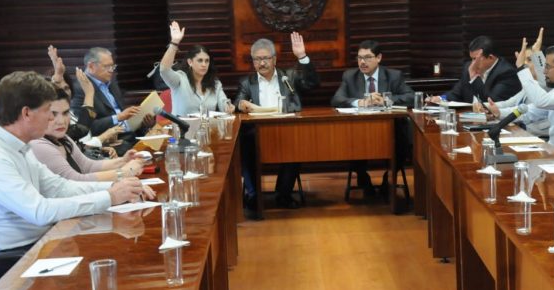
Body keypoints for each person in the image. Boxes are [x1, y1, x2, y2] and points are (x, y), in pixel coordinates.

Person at [0, 71, 154, 283]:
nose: (53, 119)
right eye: (47, 111)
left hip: (40, 246)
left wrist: (120, 188)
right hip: (10, 262)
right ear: (26, 113)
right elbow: (40, 211)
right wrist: (110, 196)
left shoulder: (19, 146)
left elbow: (60, 188)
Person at [234, 33, 319, 210]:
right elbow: (238, 102)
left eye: (265, 58)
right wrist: (241, 104)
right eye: (257, 59)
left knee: (296, 146)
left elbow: (313, 84)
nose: (261, 63)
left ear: (274, 59)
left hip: (286, 130)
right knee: (244, 147)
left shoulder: (289, 76)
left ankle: (283, 194)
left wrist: (302, 57)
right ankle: (253, 195)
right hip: (256, 134)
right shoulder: (247, 82)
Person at [331, 40, 415, 197]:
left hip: (391, 131)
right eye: (359, 58)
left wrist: (385, 100)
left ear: (379, 58)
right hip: (359, 132)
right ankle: (363, 178)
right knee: (348, 140)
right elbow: (336, 99)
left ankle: (388, 179)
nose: (362, 62)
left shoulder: (393, 76)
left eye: (368, 57)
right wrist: (360, 102)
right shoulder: (350, 76)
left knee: (402, 138)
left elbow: (410, 97)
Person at [30, 87, 146, 182]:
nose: (61, 121)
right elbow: (75, 181)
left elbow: (87, 166)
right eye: (53, 114)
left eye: (65, 113)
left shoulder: (63, 138)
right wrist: (123, 173)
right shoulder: (38, 144)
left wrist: (123, 161)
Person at [70, 47, 155, 155]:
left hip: (130, 135)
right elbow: (86, 127)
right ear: (91, 66)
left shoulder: (111, 83)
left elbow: (122, 113)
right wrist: (118, 117)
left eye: (112, 66)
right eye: (107, 66)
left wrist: (142, 121)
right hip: (110, 143)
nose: (111, 70)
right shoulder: (79, 89)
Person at [473, 31, 549, 137]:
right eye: (524, 60)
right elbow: (510, 103)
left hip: (540, 137)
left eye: (529, 60)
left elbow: (528, 112)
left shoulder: (547, 86)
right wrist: (485, 106)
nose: (525, 63)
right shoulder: (531, 84)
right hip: (524, 134)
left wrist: (498, 112)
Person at [159, 21, 235, 115]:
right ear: (190, 62)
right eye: (200, 60)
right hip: (183, 129)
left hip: (208, 128)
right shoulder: (180, 80)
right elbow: (164, 70)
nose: (204, 64)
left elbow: (223, 102)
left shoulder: (215, 84)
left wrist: (228, 106)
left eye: (207, 61)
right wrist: (174, 42)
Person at [430, 35, 521, 103]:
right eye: (471, 58)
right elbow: (456, 93)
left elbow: (491, 102)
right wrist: (440, 99)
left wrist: (474, 78)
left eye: (475, 59)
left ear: (490, 57)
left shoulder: (506, 73)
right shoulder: (468, 67)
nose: (472, 63)